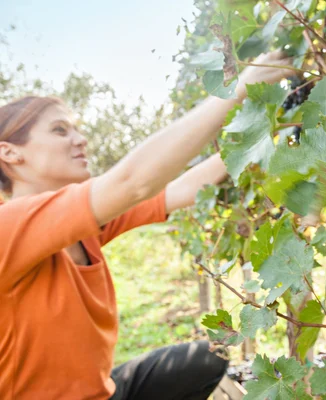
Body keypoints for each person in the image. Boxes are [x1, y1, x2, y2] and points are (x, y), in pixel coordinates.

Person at [0, 50, 294, 400]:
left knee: (206, 358)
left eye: (76, 129)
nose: (81, 139)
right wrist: (240, 87)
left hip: (102, 391)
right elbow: (133, 182)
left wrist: (271, 130)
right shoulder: (8, 226)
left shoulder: (82, 228)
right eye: (60, 130)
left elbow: (182, 189)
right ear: (9, 154)